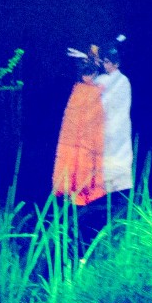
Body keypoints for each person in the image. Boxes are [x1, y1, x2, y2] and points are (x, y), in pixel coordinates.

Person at [51, 53, 106, 207]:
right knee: (73, 154)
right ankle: (72, 189)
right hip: (76, 131)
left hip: (90, 132)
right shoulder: (79, 90)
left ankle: (86, 190)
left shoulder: (96, 90)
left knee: (87, 155)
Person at [92, 38, 134, 201]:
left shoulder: (122, 81)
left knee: (117, 162)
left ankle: (118, 196)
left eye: (108, 62)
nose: (105, 65)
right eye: (104, 62)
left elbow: (113, 102)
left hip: (117, 127)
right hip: (105, 128)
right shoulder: (103, 79)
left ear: (116, 64)